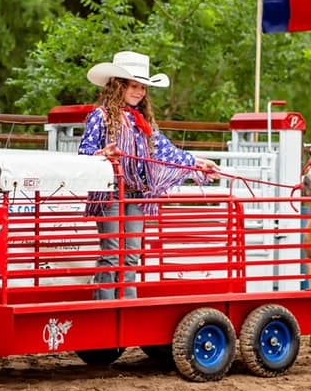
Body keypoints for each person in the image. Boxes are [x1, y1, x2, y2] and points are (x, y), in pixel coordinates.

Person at [78, 51, 218, 300]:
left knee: (131, 255)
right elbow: (85, 153)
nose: (139, 92)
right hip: (110, 195)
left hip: (136, 196)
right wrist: (104, 154)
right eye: (134, 86)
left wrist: (198, 163)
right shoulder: (100, 117)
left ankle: (128, 313)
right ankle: (105, 313)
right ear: (118, 86)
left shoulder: (142, 123)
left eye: (142, 87)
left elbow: (167, 152)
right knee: (112, 253)